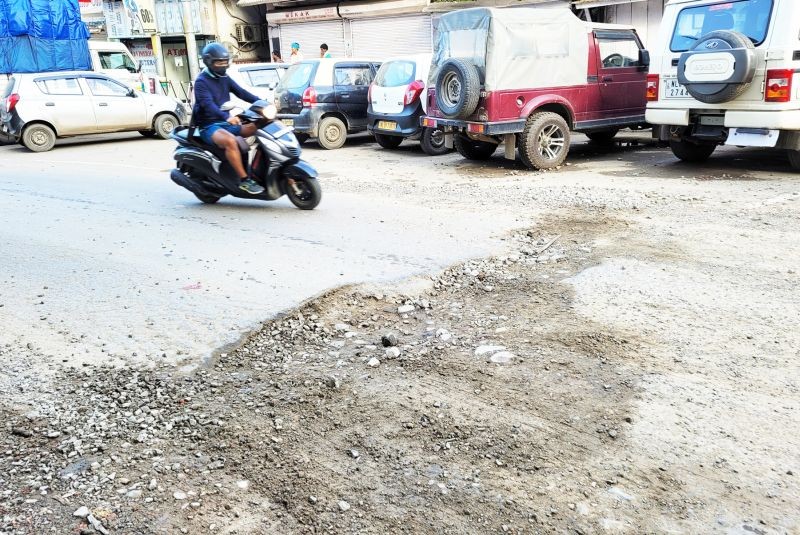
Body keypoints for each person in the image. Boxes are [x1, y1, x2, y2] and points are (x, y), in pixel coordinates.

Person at [193, 43, 265, 195]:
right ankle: (245, 180)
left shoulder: (224, 77)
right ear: (209, 62)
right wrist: (227, 117)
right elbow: (208, 105)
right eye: (219, 62)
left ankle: (260, 169)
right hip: (209, 126)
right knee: (231, 142)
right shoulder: (201, 82)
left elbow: (242, 92)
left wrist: (262, 103)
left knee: (257, 126)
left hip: (224, 122)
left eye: (225, 62)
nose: (223, 65)